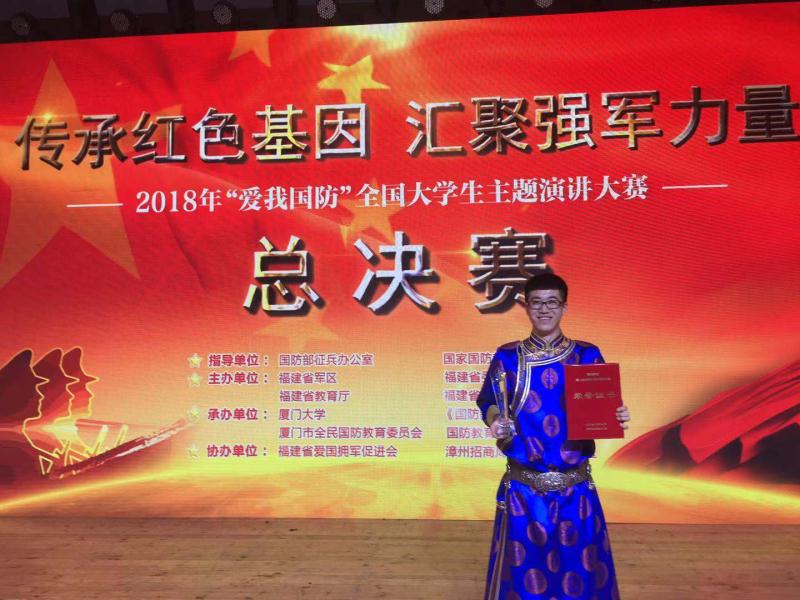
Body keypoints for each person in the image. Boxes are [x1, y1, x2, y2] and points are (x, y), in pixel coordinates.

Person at [477, 273, 630, 599]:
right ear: (526, 307)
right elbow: (488, 401)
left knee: (580, 575)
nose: (544, 310)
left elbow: (603, 405)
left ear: (564, 307)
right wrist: (494, 420)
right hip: (524, 490)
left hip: (575, 488)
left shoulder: (586, 356)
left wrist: (616, 414)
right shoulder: (508, 357)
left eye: (552, 303)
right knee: (524, 581)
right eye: (537, 303)